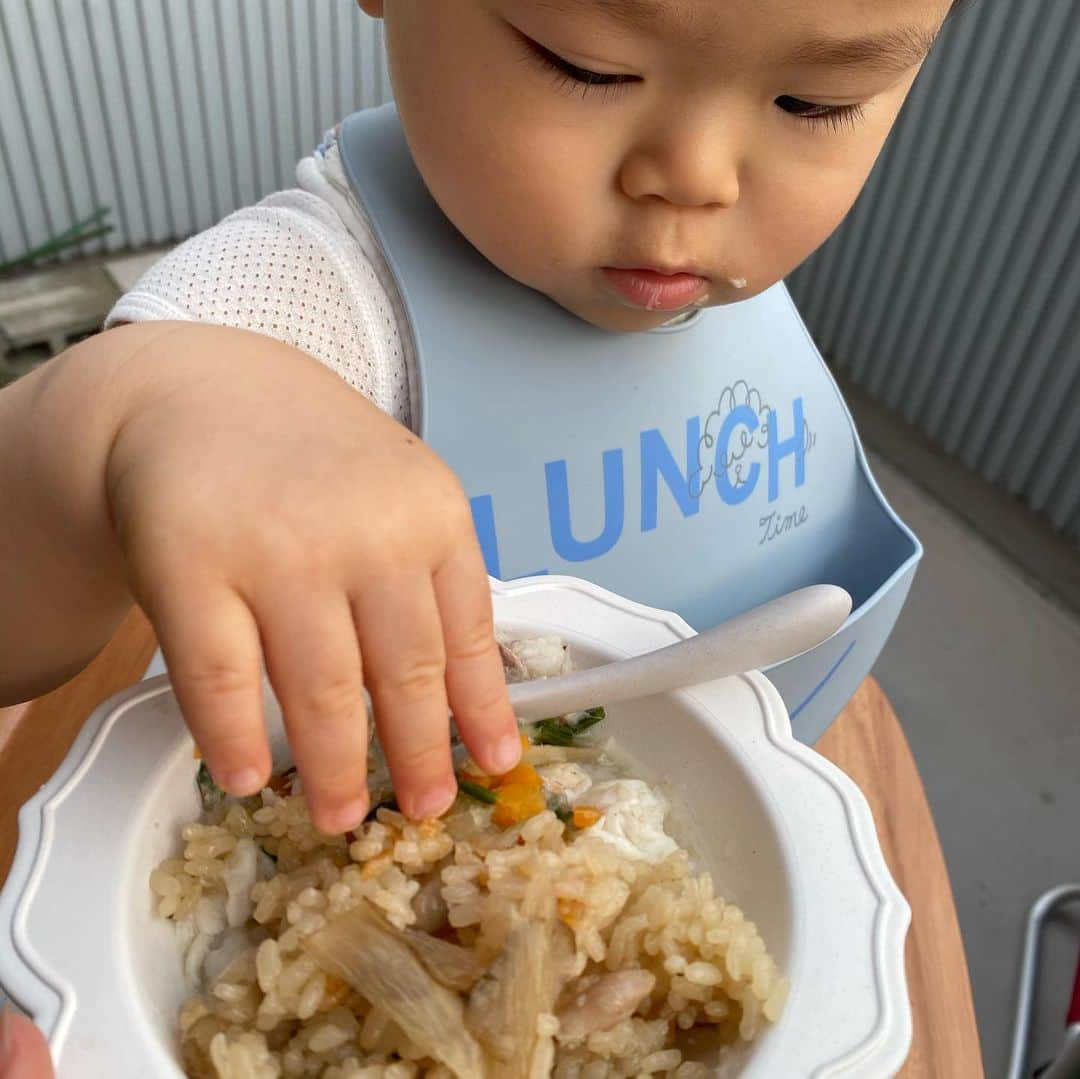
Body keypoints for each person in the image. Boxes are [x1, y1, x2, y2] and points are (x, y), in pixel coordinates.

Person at [0, 0, 960, 1068]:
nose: (700, 176)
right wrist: (120, 415)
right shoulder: (303, 304)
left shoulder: (699, 270)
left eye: (813, 101)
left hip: (801, 784)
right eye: (586, 65)